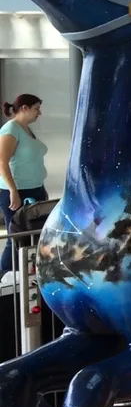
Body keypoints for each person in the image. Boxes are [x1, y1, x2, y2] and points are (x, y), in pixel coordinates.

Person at [0, 94, 47, 273]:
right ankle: (4, 278)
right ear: (24, 108)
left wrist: (41, 188)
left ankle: (26, 279)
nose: (39, 113)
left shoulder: (26, 129)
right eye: (36, 109)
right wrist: (13, 190)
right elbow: (2, 162)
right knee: (16, 238)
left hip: (35, 189)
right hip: (17, 192)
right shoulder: (10, 129)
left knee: (33, 238)